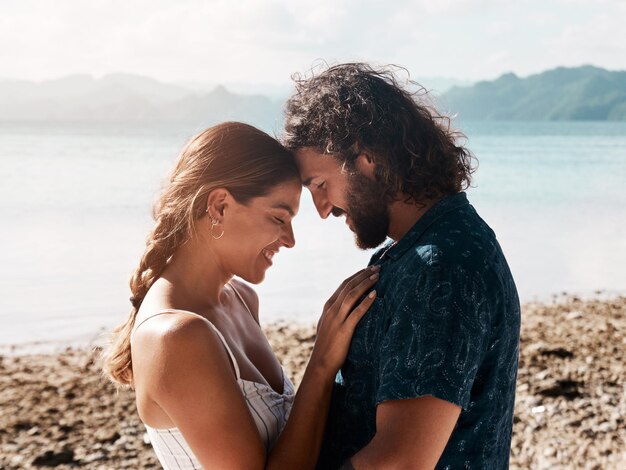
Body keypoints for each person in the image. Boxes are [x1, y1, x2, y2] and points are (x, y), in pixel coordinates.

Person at [282, 63, 521, 469]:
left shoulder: (440, 267)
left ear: (366, 156)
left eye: (320, 185)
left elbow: (399, 461)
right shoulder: (420, 251)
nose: (322, 211)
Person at [102, 121, 379, 469]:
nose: (290, 239)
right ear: (219, 206)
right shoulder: (175, 337)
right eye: (279, 218)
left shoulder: (241, 299)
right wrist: (322, 363)